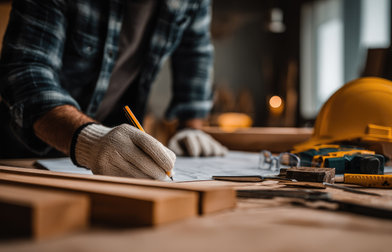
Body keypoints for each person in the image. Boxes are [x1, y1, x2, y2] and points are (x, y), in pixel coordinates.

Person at [0, 0, 227, 180]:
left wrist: (191, 128)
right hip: (25, 149)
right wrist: (90, 140)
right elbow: (25, 69)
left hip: (112, 148)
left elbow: (195, 52)